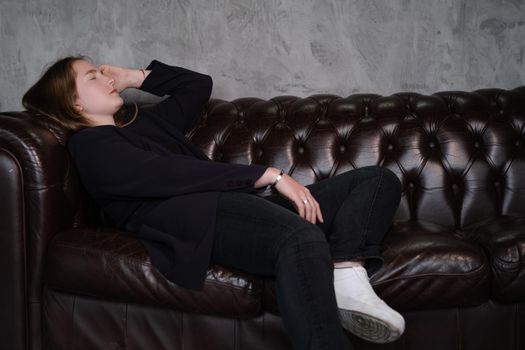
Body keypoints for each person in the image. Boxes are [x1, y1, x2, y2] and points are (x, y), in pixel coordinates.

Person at [22, 56, 405, 349]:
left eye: (102, 72)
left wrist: (134, 77)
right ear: (73, 103)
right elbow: (168, 175)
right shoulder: (90, 145)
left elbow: (197, 86)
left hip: (236, 204)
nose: (105, 79)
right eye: (93, 77)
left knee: (377, 180)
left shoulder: (145, 124)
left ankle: (345, 269)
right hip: (200, 215)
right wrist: (270, 174)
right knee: (301, 238)